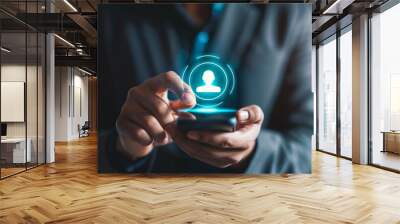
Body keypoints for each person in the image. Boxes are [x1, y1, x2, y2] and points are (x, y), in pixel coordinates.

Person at [98, 3, 313, 173]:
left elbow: (303, 149)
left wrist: (253, 151)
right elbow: (100, 137)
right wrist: (127, 148)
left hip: (245, 198)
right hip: (151, 194)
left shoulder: (289, 15)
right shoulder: (114, 16)